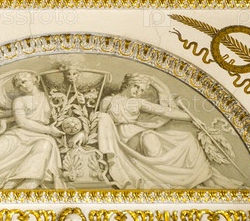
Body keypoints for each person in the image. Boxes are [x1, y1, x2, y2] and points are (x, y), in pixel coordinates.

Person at [97, 73, 242, 189]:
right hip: (122, 139)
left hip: (139, 132)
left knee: (186, 138)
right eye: (136, 87)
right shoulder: (108, 101)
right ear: (128, 84)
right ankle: (160, 179)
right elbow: (100, 124)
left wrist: (191, 118)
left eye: (141, 90)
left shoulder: (138, 102)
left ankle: (181, 178)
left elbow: (165, 111)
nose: (138, 92)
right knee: (149, 138)